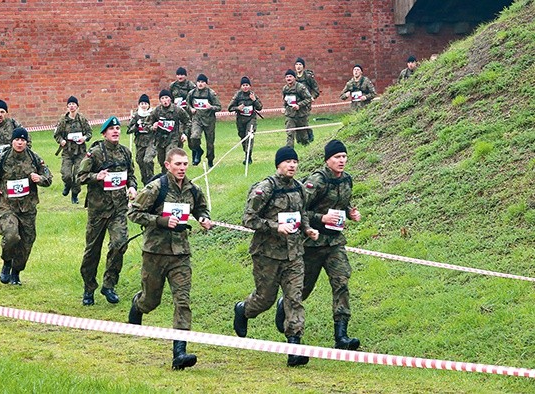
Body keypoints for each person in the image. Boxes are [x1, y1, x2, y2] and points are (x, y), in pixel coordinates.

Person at [127, 148, 212, 370]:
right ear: (167, 165)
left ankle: (179, 353)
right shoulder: (156, 188)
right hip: (155, 253)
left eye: (185, 164)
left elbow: (201, 208)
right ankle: (138, 306)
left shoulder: (193, 190)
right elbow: (134, 213)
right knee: (151, 301)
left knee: (182, 301)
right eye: (178, 164)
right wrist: (162, 221)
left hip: (180, 255)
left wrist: (204, 218)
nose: (182, 168)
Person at [233, 146, 319, 367]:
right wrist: (275, 227)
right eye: (287, 161)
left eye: (294, 161)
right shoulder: (265, 188)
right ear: (278, 164)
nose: (292, 165)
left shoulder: (300, 188)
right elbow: (248, 219)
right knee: (265, 299)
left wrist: (308, 229)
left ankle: (294, 348)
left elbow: (302, 215)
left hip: (294, 255)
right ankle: (243, 310)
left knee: (294, 299)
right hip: (267, 255)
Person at [275, 140, 362, 350]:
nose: (342, 161)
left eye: (344, 156)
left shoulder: (347, 180)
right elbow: (299, 209)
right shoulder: (317, 181)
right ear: (327, 160)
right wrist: (321, 219)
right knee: (303, 288)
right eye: (337, 157)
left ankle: (341, 336)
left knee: (341, 283)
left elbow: (342, 203)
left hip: (335, 243)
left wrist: (350, 213)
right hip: (312, 243)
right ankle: (283, 306)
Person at [0, 127, 53, 285]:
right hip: (6, 205)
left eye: (23, 140)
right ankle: (7, 262)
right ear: (12, 141)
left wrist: (39, 178)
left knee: (27, 241)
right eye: (17, 140)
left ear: (27, 142)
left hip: (27, 207)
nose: (20, 143)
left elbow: (48, 177)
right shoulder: (2, 158)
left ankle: (16, 272)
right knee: (12, 235)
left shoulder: (34, 158)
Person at [78, 116, 138, 306]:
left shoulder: (126, 153)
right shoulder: (95, 153)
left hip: (118, 209)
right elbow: (79, 176)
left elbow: (131, 176)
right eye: (111, 129)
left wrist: (132, 187)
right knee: (92, 252)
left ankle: (109, 285)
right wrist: (97, 176)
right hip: (97, 210)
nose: (115, 132)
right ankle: (89, 288)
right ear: (104, 133)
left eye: (118, 129)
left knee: (120, 244)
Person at [53, 96, 93, 204]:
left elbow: (89, 133)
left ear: (77, 107)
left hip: (80, 152)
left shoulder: (82, 119)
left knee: (78, 175)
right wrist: (61, 141)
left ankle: (75, 194)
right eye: (69, 104)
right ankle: (67, 185)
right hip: (67, 152)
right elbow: (57, 134)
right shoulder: (63, 120)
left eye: (74, 104)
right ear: (67, 107)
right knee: (66, 174)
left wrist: (84, 138)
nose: (72, 106)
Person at [145, 89, 190, 174]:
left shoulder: (177, 110)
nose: (165, 100)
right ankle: (165, 178)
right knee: (162, 162)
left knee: (169, 159)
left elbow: (187, 122)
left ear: (170, 99)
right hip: (161, 139)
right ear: (160, 100)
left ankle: (171, 181)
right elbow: (147, 123)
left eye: (166, 98)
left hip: (174, 139)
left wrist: (185, 134)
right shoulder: (157, 111)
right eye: (162, 98)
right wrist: (152, 127)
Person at [185, 74, 221, 167]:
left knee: (210, 143)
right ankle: (198, 150)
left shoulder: (211, 93)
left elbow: (219, 107)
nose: (200, 84)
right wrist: (191, 109)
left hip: (209, 121)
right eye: (199, 82)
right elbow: (187, 104)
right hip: (197, 119)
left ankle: (210, 160)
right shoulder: (192, 93)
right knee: (194, 137)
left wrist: (211, 107)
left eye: (202, 82)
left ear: (206, 83)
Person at [227, 76, 263, 165]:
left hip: (251, 119)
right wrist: (237, 108)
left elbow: (260, 107)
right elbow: (230, 108)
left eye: (247, 85)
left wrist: (254, 100)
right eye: (243, 85)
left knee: (249, 136)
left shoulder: (252, 95)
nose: (245, 87)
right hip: (241, 120)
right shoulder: (238, 95)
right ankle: (246, 152)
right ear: (241, 86)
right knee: (243, 137)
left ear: (250, 86)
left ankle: (248, 157)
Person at [127, 94, 156, 186]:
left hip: (151, 141)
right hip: (140, 142)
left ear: (149, 105)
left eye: (146, 103)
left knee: (147, 160)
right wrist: (136, 126)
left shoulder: (153, 114)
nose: (144, 105)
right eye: (142, 103)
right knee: (140, 161)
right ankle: (146, 183)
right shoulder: (136, 116)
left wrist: (153, 127)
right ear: (139, 105)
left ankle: (152, 180)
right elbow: (128, 130)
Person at [282, 69, 313, 148]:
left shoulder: (300, 87)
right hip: (290, 115)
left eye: (290, 76)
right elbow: (285, 100)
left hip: (301, 114)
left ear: (294, 77)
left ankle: (307, 146)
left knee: (303, 136)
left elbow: (308, 99)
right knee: (290, 133)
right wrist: (284, 108)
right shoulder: (285, 89)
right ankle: (289, 150)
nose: (288, 78)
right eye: (287, 77)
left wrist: (299, 105)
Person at [294, 57, 320, 143]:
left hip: (306, 102)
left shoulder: (308, 77)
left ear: (303, 66)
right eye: (297, 64)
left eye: (300, 64)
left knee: (304, 120)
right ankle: (299, 139)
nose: (298, 66)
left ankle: (308, 135)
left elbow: (316, 89)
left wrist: (313, 97)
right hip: (296, 102)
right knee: (296, 120)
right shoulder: (293, 77)